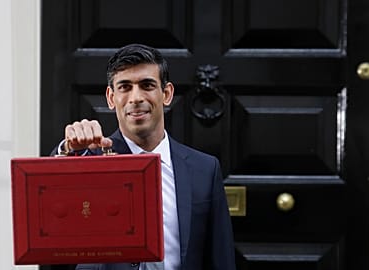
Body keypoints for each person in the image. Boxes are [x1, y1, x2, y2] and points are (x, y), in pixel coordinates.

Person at [52, 44, 236, 270]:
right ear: (111, 98)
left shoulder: (205, 169)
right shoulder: (88, 159)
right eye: (125, 87)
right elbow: (50, 216)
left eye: (147, 85)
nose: (136, 97)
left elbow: (221, 259)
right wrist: (65, 151)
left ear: (166, 93)